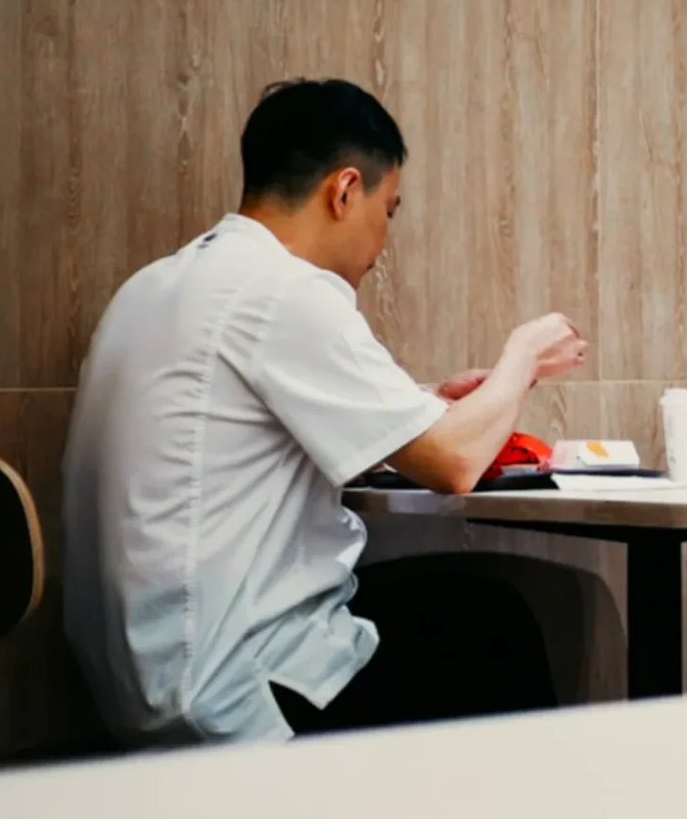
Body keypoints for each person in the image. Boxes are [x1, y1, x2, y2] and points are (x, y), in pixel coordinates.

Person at [62, 78, 587, 746]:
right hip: (227, 691)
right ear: (344, 191)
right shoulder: (288, 291)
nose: (383, 239)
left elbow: (248, 426)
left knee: (462, 606)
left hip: (131, 680)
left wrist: (422, 404)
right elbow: (453, 463)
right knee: (493, 622)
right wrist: (524, 356)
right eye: (388, 210)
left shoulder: (157, 286)